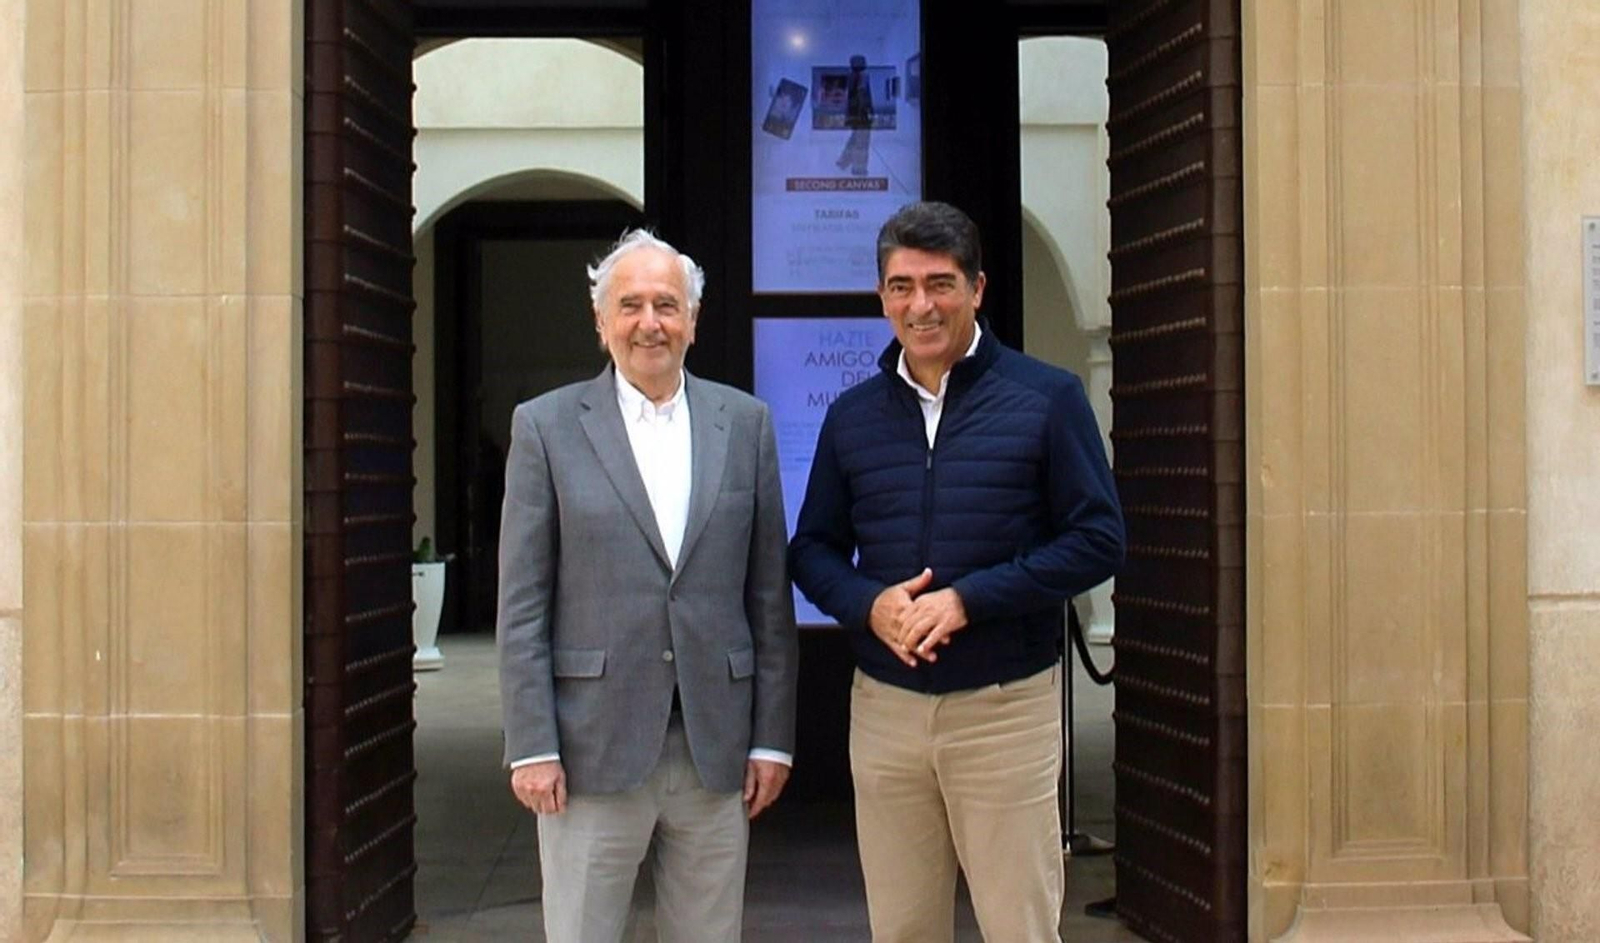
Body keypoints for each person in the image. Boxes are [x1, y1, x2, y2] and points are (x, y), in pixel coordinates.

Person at [788, 201, 1124, 942]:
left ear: (978, 288)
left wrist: (970, 599)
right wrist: (870, 604)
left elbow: (1100, 538)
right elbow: (810, 548)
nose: (921, 304)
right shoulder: (852, 417)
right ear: (882, 297)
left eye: (940, 283)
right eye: (901, 286)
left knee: (1020, 926)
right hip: (886, 708)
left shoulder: (1048, 399)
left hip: (1004, 709)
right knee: (903, 928)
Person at [497, 229, 799, 943]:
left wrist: (773, 739)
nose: (650, 322)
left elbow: (768, 594)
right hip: (587, 749)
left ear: (693, 320)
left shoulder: (745, 424)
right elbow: (523, 602)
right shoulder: (545, 427)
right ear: (601, 323)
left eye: (667, 304)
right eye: (629, 304)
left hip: (714, 747)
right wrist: (531, 743)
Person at [836, 54, 874, 175]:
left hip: (854, 114)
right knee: (862, 143)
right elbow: (863, 96)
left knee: (855, 139)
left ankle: (843, 162)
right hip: (861, 115)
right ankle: (859, 169)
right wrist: (869, 112)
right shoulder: (862, 76)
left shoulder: (851, 76)